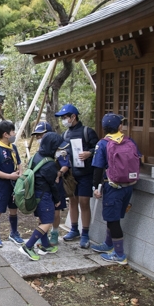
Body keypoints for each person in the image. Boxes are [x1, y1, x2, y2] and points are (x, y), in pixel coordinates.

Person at [91, 113, 140, 264]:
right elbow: (138, 158)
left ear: (104, 128)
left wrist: (95, 187)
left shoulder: (103, 144)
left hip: (113, 187)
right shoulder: (129, 140)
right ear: (120, 127)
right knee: (114, 217)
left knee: (113, 221)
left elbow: (98, 168)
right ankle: (108, 244)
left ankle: (119, 255)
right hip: (128, 187)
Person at [55, 104, 99, 248]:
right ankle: (74, 229)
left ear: (73, 117)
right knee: (72, 202)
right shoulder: (65, 134)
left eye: (65, 117)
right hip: (70, 175)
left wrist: (89, 153)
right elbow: (62, 151)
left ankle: (85, 233)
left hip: (86, 174)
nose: (63, 120)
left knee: (84, 202)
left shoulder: (88, 132)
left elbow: (99, 149)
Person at [19, 132, 63, 261]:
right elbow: (53, 184)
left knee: (43, 219)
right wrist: (57, 199)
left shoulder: (36, 156)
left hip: (35, 194)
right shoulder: (50, 164)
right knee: (47, 222)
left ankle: (45, 245)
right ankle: (28, 246)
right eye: (58, 147)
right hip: (44, 195)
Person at [31, 122, 70, 247]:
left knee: (56, 211)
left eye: (41, 135)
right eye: (37, 136)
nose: (38, 138)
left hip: (55, 184)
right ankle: (41, 239)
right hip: (44, 188)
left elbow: (66, 164)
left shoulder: (59, 148)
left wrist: (58, 173)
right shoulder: (41, 152)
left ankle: (54, 233)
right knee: (44, 213)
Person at [0, 120, 23, 247]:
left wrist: (20, 174)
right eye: (13, 131)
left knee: (14, 208)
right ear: (5, 134)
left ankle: (14, 233)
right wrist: (9, 176)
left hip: (14, 185)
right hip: (1, 186)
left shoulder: (13, 148)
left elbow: (18, 162)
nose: (14, 134)